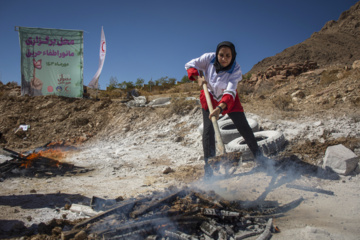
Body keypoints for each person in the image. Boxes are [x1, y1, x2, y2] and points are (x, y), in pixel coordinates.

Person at [185, 41, 265, 178]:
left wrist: (220, 108)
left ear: (233, 56)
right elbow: (189, 64)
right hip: (209, 96)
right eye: (221, 55)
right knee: (208, 131)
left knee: (244, 127)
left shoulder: (236, 69)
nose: (224, 58)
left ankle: (261, 159)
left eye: (228, 55)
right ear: (217, 54)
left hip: (228, 100)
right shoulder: (208, 58)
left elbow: (230, 92)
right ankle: (209, 170)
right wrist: (197, 78)